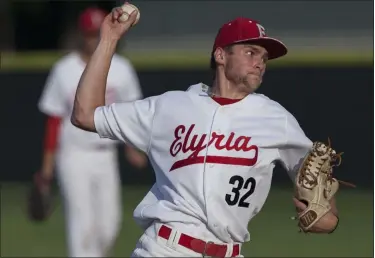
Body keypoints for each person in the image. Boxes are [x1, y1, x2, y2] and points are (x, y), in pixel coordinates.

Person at [70, 5, 340, 257]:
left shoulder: (276, 119)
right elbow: (85, 115)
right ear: (220, 55)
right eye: (250, 52)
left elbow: (317, 182)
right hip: (165, 248)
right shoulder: (168, 107)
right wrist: (109, 40)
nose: (260, 62)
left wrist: (328, 218)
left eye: (264, 57)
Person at [35, 6, 147, 257]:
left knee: (110, 225)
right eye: (88, 33)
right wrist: (46, 170)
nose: (92, 38)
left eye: (96, 33)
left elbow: (128, 112)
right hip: (73, 154)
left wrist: (131, 148)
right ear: (80, 34)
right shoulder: (64, 69)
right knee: (81, 226)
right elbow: (53, 121)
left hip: (106, 154)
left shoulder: (122, 68)